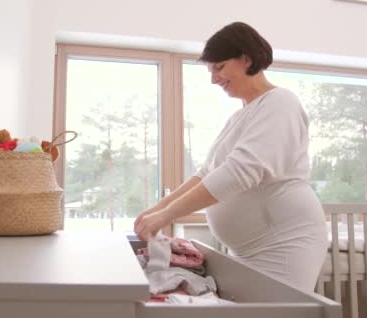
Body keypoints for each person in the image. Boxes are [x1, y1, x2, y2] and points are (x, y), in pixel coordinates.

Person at [134, 22, 327, 292]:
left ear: (246, 59)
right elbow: (206, 173)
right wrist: (159, 209)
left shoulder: (281, 102)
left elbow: (241, 171)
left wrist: (167, 215)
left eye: (220, 67)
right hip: (247, 249)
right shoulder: (239, 117)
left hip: (284, 244)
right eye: (211, 71)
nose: (214, 78)